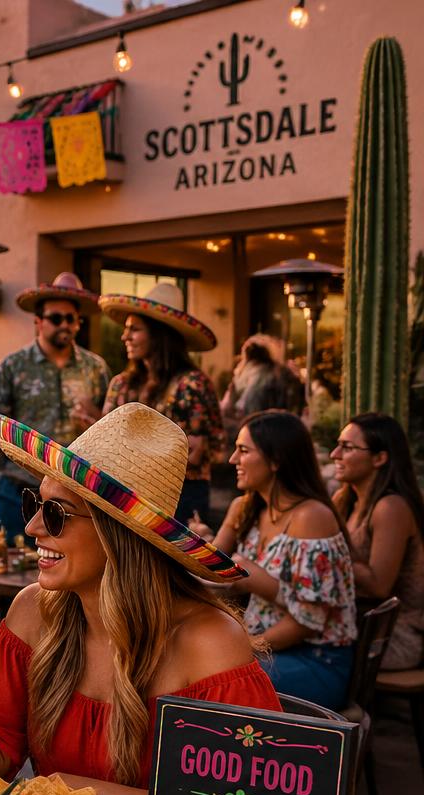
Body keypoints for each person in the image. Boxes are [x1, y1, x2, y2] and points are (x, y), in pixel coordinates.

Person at [0, 404, 278, 795]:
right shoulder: (33, 613)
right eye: (36, 503)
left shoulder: (210, 644)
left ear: (118, 534)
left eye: (56, 514)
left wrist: (78, 791)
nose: (32, 529)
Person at [211, 411, 357, 709]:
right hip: (273, 652)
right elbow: (212, 573)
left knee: (213, 679)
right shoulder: (253, 509)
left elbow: (309, 623)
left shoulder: (312, 517)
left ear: (276, 460)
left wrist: (245, 647)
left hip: (315, 659)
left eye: (244, 450)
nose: (232, 460)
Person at [0, 272, 109, 543]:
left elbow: (110, 425)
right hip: (19, 489)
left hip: (76, 495)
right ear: (38, 322)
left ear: (78, 323)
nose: (64, 324)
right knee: (16, 567)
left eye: (71, 319)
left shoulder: (95, 369)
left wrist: (95, 421)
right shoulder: (13, 365)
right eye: (55, 318)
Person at [99, 284, 224, 523]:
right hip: (126, 496)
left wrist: (129, 451)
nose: (124, 336)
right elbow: (105, 443)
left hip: (181, 497)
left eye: (134, 329)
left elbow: (201, 452)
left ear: (159, 334)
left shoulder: (192, 385)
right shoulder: (121, 384)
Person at [332, 412, 424, 670]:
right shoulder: (345, 499)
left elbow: (378, 587)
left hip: (391, 637)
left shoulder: (391, 507)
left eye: (347, 447)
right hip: (354, 623)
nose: (334, 455)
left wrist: (331, 553)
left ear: (380, 458)